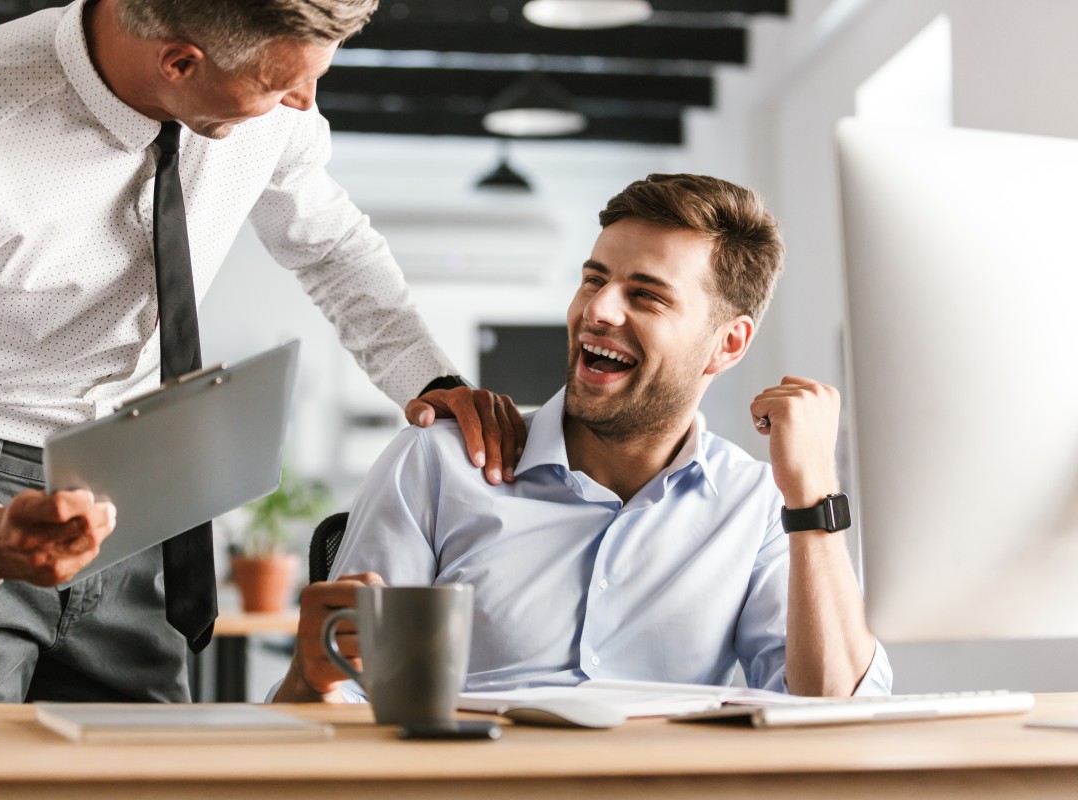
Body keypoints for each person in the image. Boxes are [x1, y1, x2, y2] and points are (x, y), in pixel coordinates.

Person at [0, 0, 522, 795]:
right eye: (280, 86)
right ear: (180, 62)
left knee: (158, 782)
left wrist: (433, 382)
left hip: (134, 482)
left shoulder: (271, 97)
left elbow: (330, 244)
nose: (305, 107)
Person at [276, 173, 893, 704]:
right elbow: (338, 697)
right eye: (594, 280)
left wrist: (814, 496)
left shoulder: (758, 505)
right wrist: (311, 676)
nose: (599, 310)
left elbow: (832, 715)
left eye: (645, 295)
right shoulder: (440, 462)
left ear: (727, 343)